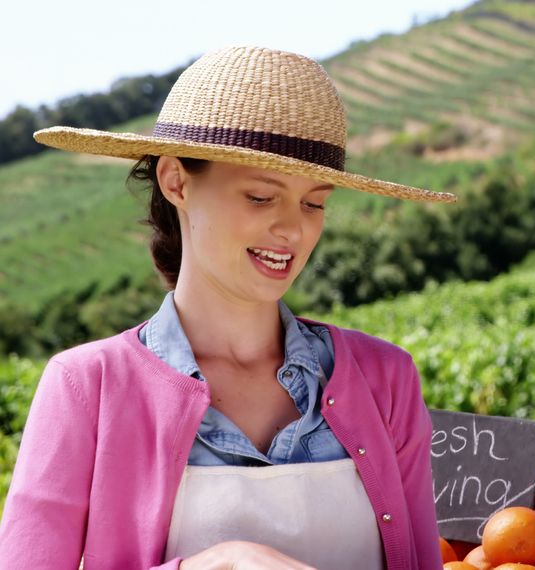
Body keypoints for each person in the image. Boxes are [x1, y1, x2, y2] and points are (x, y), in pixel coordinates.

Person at [0, 46, 457, 569]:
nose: (293, 228)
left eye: (315, 203)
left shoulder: (385, 379)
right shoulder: (88, 387)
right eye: (261, 197)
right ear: (176, 181)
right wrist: (218, 564)